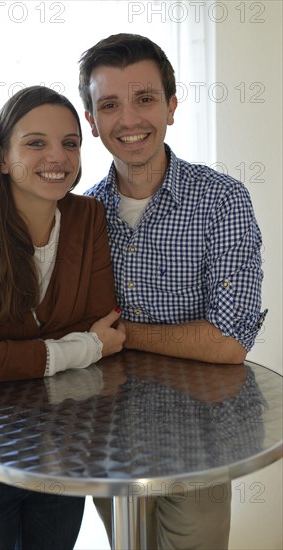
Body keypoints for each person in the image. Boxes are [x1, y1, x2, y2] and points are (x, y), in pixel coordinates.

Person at [78, 33, 267, 549]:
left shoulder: (221, 201)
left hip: (201, 441)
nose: (130, 119)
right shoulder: (82, 216)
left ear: (172, 106)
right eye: (110, 104)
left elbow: (228, 343)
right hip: (109, 441)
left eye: (145, 99)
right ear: (92, 123)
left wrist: (125, 336)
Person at [0, 85, 126, 550]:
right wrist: (87, 346)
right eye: (36, 143)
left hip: (61, 442)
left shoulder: (87, 216)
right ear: (2, 157)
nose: (57, 156)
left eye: (70, 143)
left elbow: (103, 320)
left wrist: (0, 354)